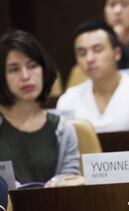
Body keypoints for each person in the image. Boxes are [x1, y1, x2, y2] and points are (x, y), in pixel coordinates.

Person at [57, 19, 129, 133]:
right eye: (82, 53)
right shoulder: (68, 100)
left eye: (97, 50)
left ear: (117, 53)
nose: (89, 59)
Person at [0, 30, 80, 185]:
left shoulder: (63, 129)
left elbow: (71, 186)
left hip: (55, 207)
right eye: (14, 69)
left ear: (44, 70)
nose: (25, 76)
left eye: (32, 66)